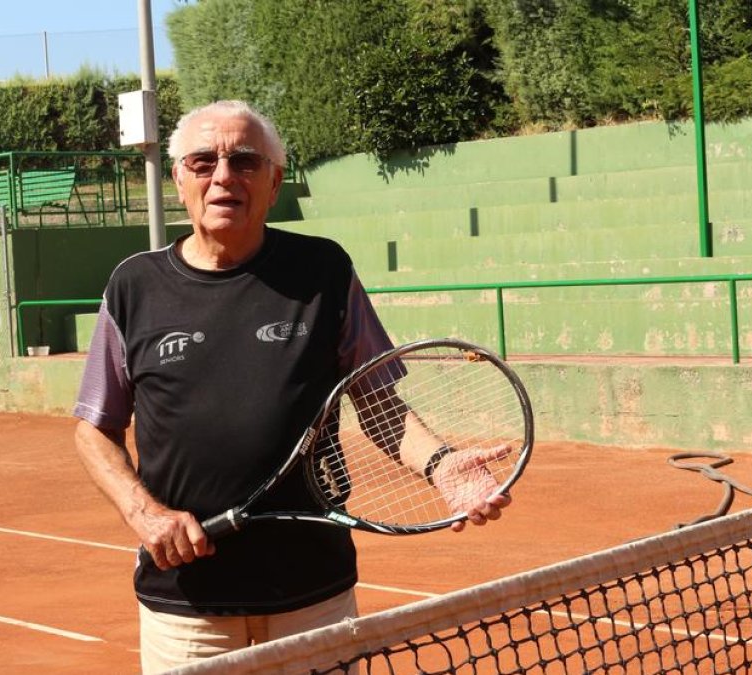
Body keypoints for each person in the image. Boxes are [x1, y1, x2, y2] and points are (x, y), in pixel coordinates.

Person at [72, 100, 511, 672]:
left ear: (274, 181)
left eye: (245, 162)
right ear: (178, 177)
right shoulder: (134, 286)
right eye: (203, 162)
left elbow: (376, 400)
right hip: (186, 602)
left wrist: (441, 465)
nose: (223, 176)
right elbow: (93, 426)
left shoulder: (324, 271)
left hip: (313, 592)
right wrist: (144, 513)